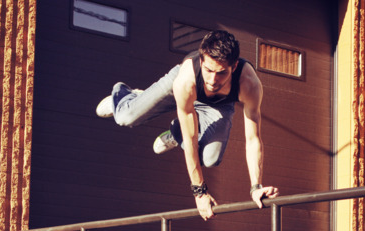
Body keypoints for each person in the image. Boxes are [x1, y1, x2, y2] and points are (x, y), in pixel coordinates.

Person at [96, 30, 279, 220]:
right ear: (201, 61)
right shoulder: (186, 79)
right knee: (126, 118)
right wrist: (199, 192)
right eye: (208, 70)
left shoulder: (249, 84)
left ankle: (175, 133)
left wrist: (256, 187)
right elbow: (191, 139)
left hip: (218, 105)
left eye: (221, 73)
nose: (212, 80)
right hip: (182, 90)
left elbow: (253, 139)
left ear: (233, 67)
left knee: (210, 159)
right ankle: (127, 96)